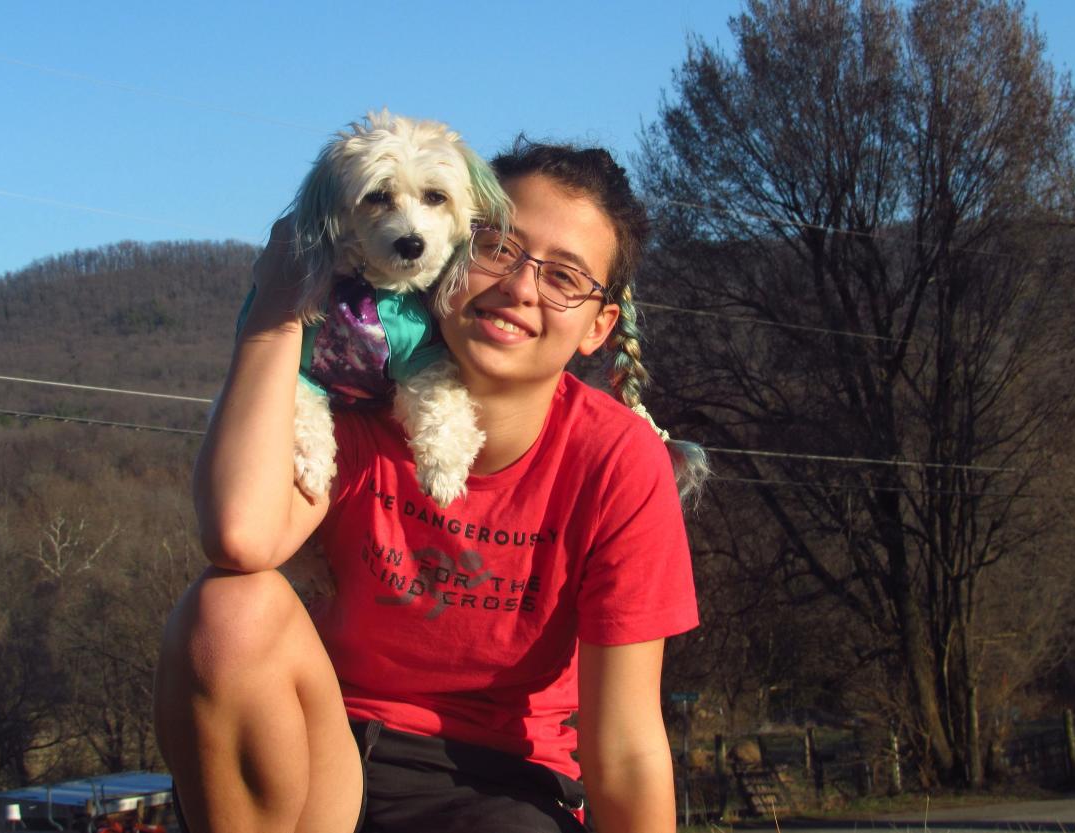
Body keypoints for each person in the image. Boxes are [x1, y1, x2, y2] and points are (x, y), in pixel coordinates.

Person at [153, 140, 699, 833]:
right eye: (498, 245)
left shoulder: (616, 462)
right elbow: (238, 533)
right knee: (227, 607)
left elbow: (624, 747)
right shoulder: (358, 407)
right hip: (325, 752)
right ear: (447, 247)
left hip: (499, 785)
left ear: (598, 326)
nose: (521, 287)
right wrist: (275, 308)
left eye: (565, 277)